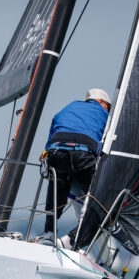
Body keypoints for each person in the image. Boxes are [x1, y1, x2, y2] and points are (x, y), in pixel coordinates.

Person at [38, 88, 111, 248]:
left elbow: (51, 134)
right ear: (101, 102)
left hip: (57, 150)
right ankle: (70, 241)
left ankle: (49, 234)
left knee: (56, 187)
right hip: (83, 154)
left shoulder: (69, 107)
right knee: (97, 201)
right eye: (108, 106)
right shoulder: (106, 115)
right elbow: (108, 145)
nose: (108, 109)